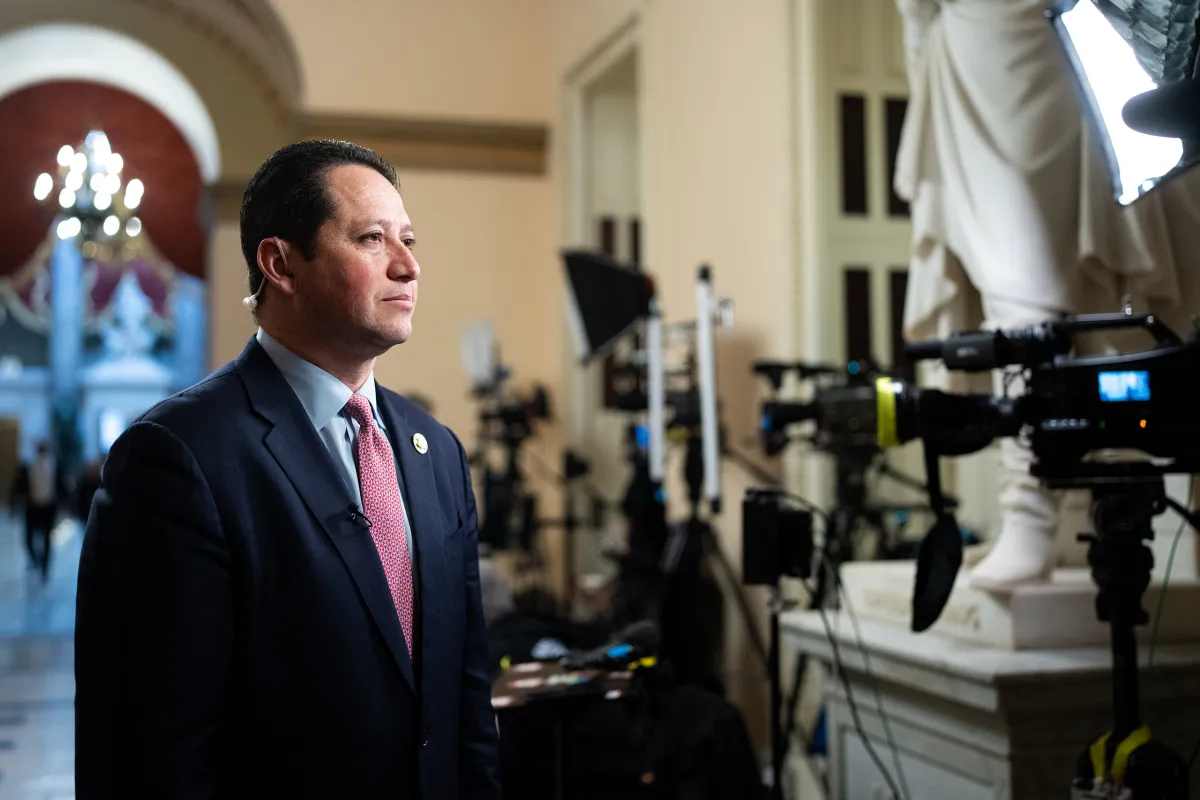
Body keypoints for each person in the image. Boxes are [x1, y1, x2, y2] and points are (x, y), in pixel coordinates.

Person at [75, 140, 502, 799]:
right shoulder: (178, 456)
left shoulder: (436, 450)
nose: (408, 266)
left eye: (408, 240)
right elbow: (146, 750)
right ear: (280, 264)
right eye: (370, 239)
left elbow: (468, 698)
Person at [10, 439, 62, 582]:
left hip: (48, 507)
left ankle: (45, 568)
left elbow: (61, 485)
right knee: (28, 538)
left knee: (46, 539)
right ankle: (35, 560)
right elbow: (19, 486)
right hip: (32, 507)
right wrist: (14, 505)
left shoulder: (55, 465)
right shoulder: (29, 466)